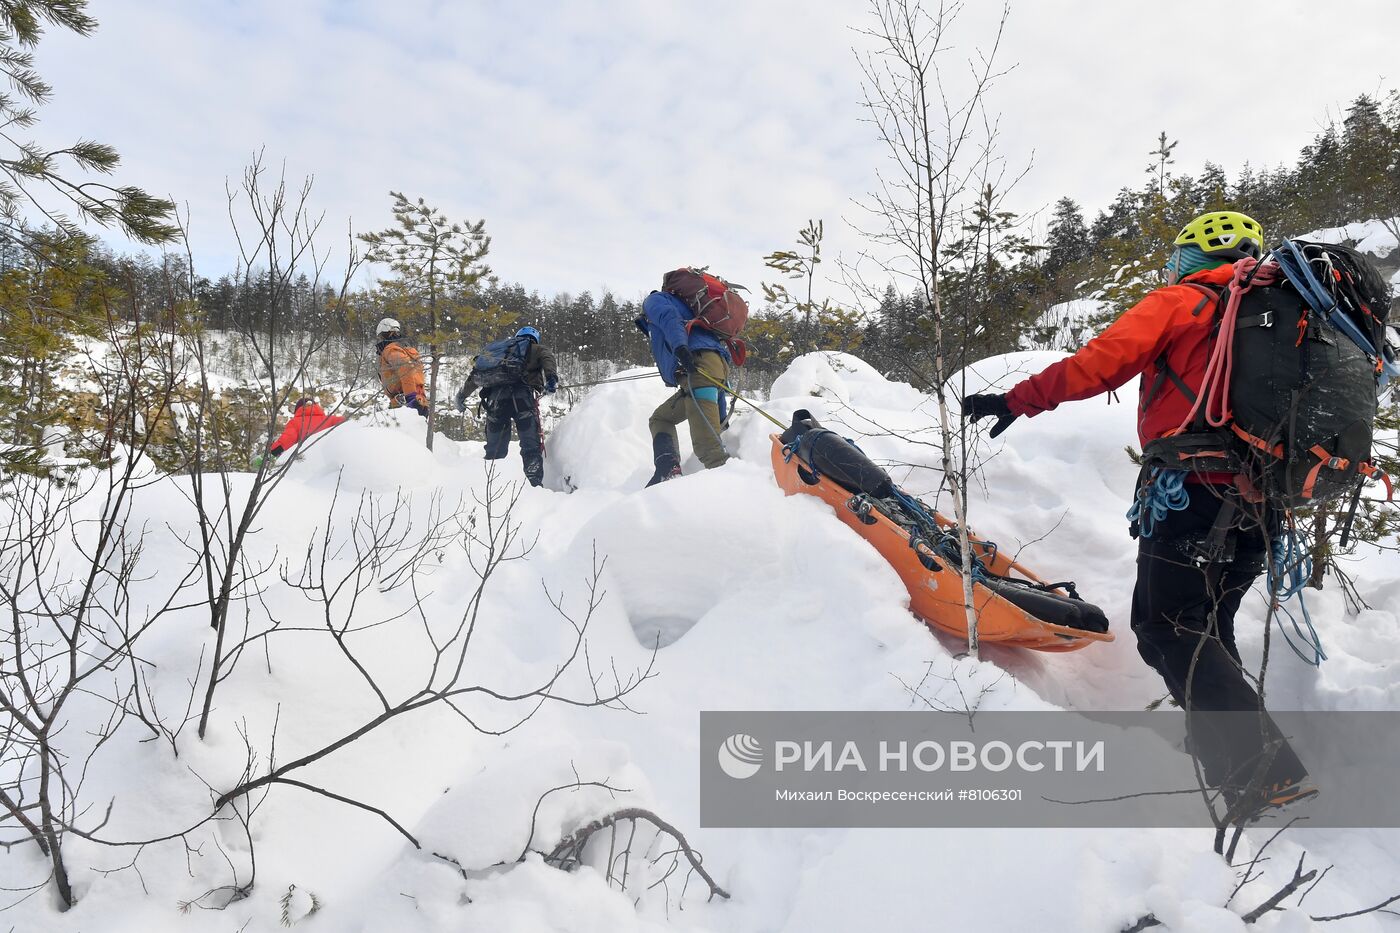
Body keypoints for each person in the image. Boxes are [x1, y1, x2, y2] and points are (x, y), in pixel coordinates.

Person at [961, 210, 1311, 816]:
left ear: (1192, 257)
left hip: (1195, 491)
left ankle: (1260, 767)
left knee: (1166, 627)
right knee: (1207, 628)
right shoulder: (1296, 317)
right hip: (1266, 501)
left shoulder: (1190, 299)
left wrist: (1018, 399)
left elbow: (1101, 362)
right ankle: (1233, 769)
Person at [636, 287, 732, 485]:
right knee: (660, 418)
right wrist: (721, 419)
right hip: (713, 366)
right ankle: (668, 470)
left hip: (697, 366)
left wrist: (680, 347)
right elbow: (714, 387)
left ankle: (733, 496)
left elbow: (668, 317)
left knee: (708, 449)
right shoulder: (689, 309)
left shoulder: (655, 300)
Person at [455, 326, 558, 487]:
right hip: (523, 400)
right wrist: (551, 379)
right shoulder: (536, 348)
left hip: (496, 401)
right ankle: (534, 485)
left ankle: (491, 487)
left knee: (495, 449)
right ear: (534, 338)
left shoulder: (499, 352)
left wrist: (461, 396)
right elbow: (548, 359)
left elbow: (476, 375)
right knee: (530, 446)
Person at [252, 397, 346, 469]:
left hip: (306, 465)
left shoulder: (295, 422)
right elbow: (351, 423)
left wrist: (268, 456)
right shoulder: (331, 420)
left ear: (298, 410)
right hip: (331, 464)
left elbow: (285, 442)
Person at [375, 318, 428, 417]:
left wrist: (411, 397)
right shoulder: (408, 350)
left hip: (405, 400)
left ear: (386, 334)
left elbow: (406, 369)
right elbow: (417, 377)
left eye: (381, 336)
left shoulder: (391, 350)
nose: (380, 339)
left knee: (397, 432)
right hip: (420, 398)